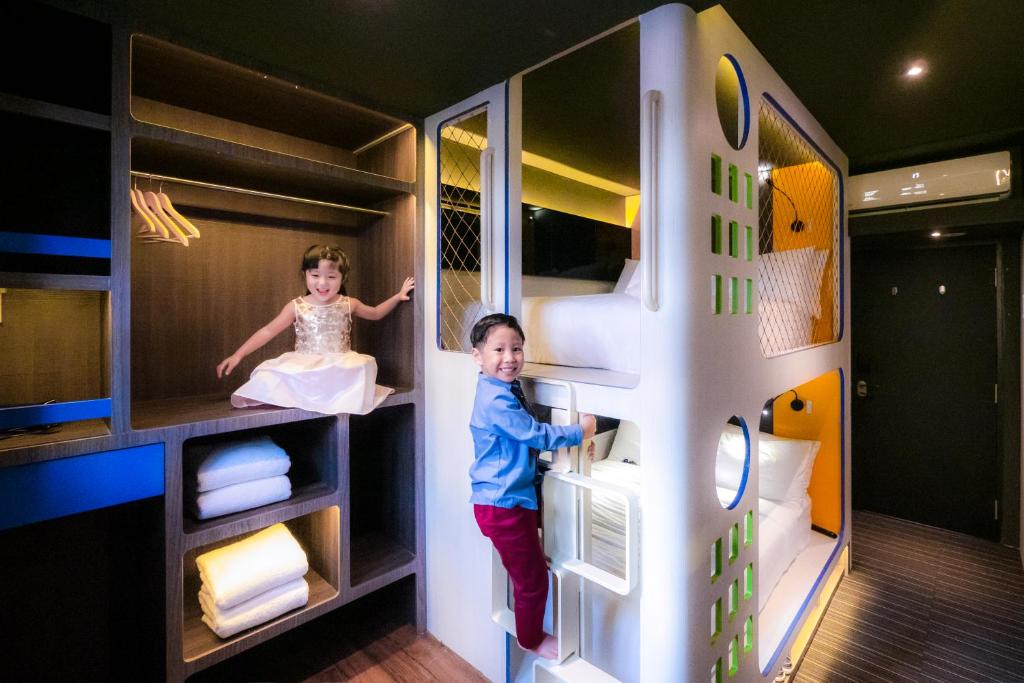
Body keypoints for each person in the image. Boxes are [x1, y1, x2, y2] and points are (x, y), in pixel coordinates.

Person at [468, 313, 596, 659]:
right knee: (533, 581)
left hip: (508, 500)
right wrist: (579, 432)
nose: (509, 358)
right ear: (477, 356)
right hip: (502, 505)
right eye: (498, 350)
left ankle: (533, 569)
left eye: (517, 348)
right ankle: (531, 639)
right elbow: (533, 434)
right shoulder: (495, 400)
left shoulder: (501, 388)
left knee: (530, 566)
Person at [217, 244, 414, 415]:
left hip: (340, 366)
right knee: (269, 376)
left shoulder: (349, 303)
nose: (322, 283)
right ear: (305, 275)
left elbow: (376, 313)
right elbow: (268, 331)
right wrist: (238, 355)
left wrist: (398, 296)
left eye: (331, 276)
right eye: (315, 275)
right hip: (306, 367)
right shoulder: (296, 306)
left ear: (342, 278)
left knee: (361, 367)